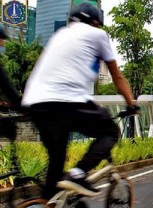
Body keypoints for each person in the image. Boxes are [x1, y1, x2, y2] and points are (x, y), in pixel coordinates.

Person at [21, 2, 139, 199]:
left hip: (36, 105)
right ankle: (79, 174)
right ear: (94, 21)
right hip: (67, 102)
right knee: (109, 131)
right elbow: (117, 76)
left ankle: (49, 200)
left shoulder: (59, 35)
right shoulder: (97, 34)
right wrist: (131, 103)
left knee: (56, 168)